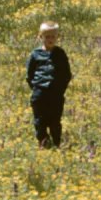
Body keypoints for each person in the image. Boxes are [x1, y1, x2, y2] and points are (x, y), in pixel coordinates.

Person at [25, 20, 73, 148]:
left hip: (56, 93)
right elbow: (29, 75)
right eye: (47, 37)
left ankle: (57, 143)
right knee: (39, 120)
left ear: (58, 37)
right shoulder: (35, 54)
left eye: (53, 37)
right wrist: (36, 88)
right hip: (39, 92)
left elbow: (66, 74)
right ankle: (43, 142)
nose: (50, 39)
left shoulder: (60, 54)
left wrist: (60, 89)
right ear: (41, 37)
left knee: (55, 120)